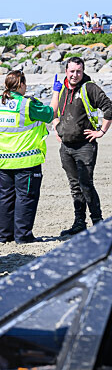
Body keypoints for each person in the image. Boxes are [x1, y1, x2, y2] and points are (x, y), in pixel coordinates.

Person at [0, 71, 54, 244]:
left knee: (6, 198)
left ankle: (4, 236)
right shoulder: (27, 105)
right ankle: (23, 236)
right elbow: (50, 114)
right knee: (26, 198)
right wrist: (56, 93)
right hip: (26, 161)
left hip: (3, 160)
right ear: (21, 85)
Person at [51, 57, 112, 236]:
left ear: (83, 71)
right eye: (72, 71)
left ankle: (98, 222)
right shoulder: (61, 88)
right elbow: (53, 112)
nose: (75, 75)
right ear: (66, 71)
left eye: (78, 71)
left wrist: (101, 131)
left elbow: (109, 108)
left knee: (86, 184)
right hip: (66, 147)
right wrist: (57, 126)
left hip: (85, 146)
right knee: (75, 186)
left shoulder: (89, 87)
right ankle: (79, 222)